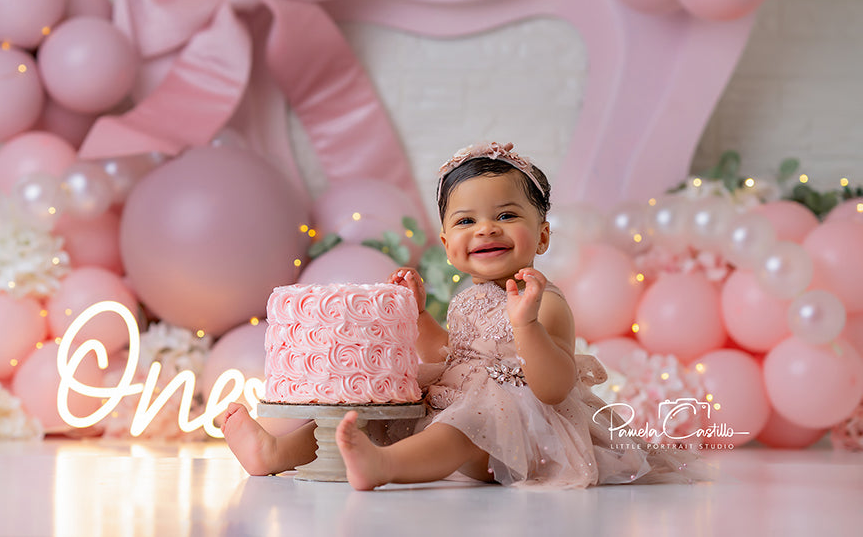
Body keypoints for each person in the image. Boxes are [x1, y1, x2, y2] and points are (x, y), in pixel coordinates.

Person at [224, 141, 708, 490]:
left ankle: (385, 466)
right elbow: (446, 352)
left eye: (506, 215)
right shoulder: (466, 298)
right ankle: (278, 452)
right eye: (466, 220)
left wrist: (527, 324)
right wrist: (417, 316)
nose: (486, 230)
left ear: (541, 236)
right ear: (447, 246)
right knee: (378, 406)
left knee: (464, 426)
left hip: (520, 433)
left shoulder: (543, 299)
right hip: (462, 397)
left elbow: (555, 386)